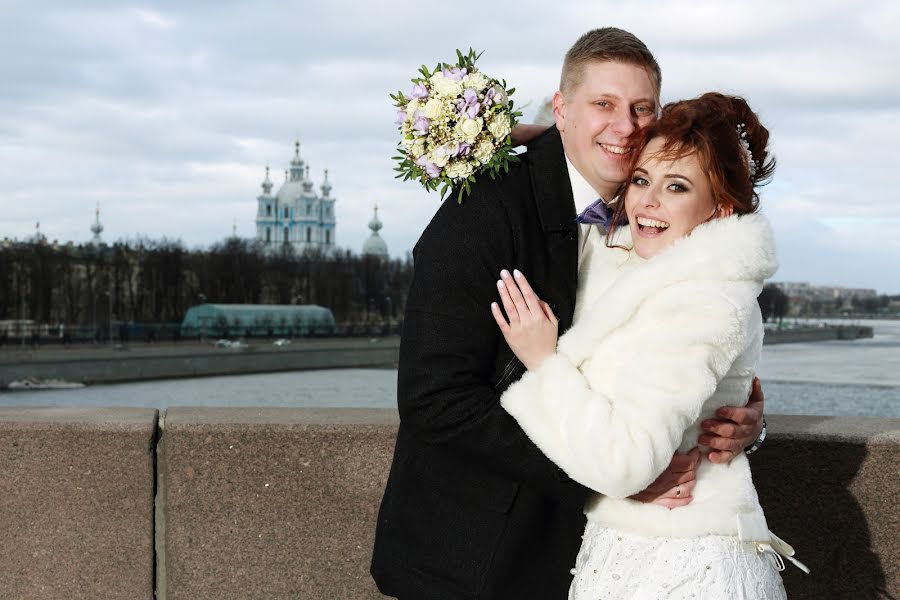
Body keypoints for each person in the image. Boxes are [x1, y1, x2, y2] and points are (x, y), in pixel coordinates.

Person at [371, 28, 766, 599]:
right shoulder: (486, 209)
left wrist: (736, 421)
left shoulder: (657, 223)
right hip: (474, 556)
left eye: (641, 109)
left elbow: (676, 360)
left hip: (584, 557)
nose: (625, 126)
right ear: (561, 109)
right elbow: (435, 398)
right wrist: (616, 477)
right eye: (603, 104)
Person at [493, 92, 805, 599]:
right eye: (641, 179)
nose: (647, 201)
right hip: (640, 545)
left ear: (720, 208)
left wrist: (544, 363)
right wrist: (541, 137)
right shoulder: (646, 267)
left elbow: (626, 463)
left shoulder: (704, 302)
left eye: (676, 186)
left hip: (679, 561)